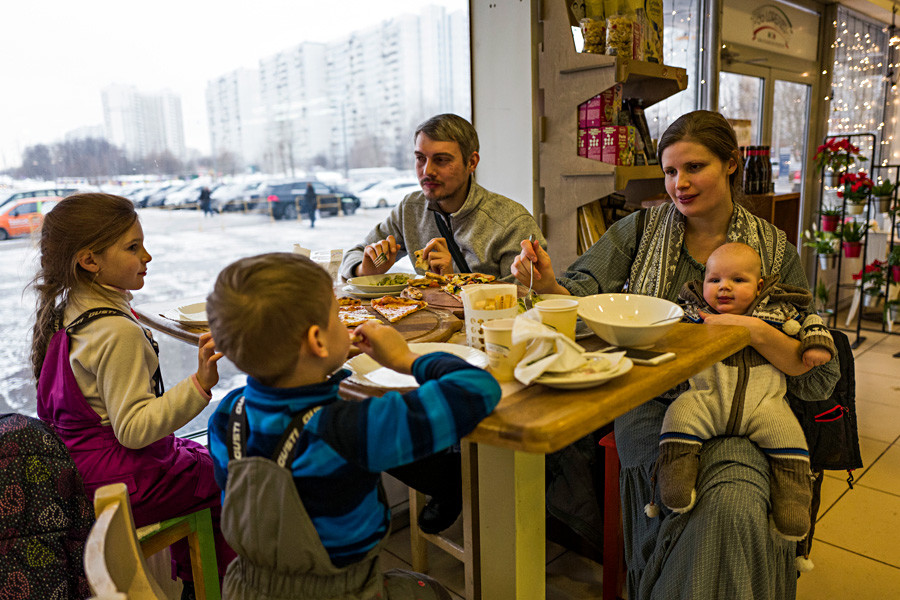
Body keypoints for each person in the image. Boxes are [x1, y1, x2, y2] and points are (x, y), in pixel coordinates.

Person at [511, 111, 840, 599]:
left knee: (731, 503)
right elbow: (579, 298)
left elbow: (818, 375)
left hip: (749, 408)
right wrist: (547, 284)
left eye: (694, 168)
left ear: (731, 164)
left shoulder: (772, 251)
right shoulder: (639, 232)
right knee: (702, 504)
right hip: (651, 405)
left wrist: (749, 329)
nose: (679, 184)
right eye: (669, 171)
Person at [205, 252, 501, 599]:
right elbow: (477, 389)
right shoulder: (348, 429)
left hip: (248, 587)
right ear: (317, 341)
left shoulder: (226, 416)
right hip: (343, 592)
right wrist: (404, 358)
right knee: (431, 592)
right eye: (337, 314)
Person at [31, 192, 235, 598]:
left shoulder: (66, 310)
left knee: (199, 460)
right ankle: (211, 588)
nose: (148, 256)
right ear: (89, 261)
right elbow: (134, 430)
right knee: (224, 480)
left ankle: (196, 578)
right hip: (118, 480)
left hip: (81, 471)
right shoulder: (117, 332)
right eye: (133, 247)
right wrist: (200, 384)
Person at [651, 242, 835, 542]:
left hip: (764, 406)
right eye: (715, 280)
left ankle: (792, 505)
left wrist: (816, 344)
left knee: (791, 440)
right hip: (705, 398)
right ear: (703, 283)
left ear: (759, 285)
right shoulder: (693, 313)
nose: (724, 288)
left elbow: (810, 321)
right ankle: (676, 482)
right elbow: (667, 332)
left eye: (737, 280)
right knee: (678, 416)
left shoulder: (778, 311)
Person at [339, 113, 544, 280]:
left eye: (441, 160)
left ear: (471, 162)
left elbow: (525, 300)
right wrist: (365, 270)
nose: (427, 170)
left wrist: (451, 280)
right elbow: (353, 255)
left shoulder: (511, 223)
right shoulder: (410, 209)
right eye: (420, 158)